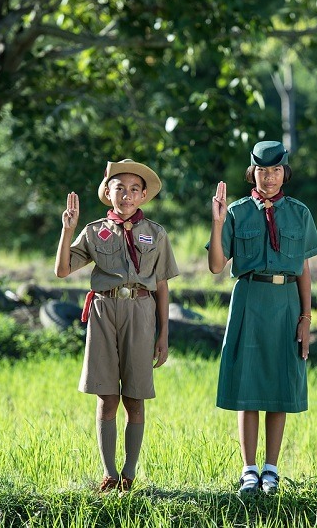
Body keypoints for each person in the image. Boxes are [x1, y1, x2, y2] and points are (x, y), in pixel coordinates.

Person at [55, 159, 179, 493]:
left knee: (135, 399)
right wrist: (68, 229)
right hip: (103, 311)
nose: (126, 195)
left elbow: (163, 286)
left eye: (134, 189)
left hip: (141, 311)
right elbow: (63, 270)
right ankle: (109, 473)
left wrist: (163, 334)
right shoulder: (95, 230)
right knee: (107, 397)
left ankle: (129, 473)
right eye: (119, 188)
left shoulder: (156, 233)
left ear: (142, 196)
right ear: (108, 193)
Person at [208, 141, 317, 495]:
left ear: (284, 172)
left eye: (275, 171)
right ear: (252, 173)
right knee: (248, 385)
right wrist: (217, 222)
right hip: (249, 298)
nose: (269, 178)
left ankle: (271, 470)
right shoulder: (237, 211)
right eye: (262, 171)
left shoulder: (300, 213)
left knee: (279, 385)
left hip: (287, 301)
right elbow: (215, 265)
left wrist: (305, 316)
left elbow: (303, 269)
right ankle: (249, 470)